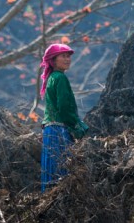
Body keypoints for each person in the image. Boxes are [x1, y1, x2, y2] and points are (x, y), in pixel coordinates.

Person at [39, 43, 88, 191]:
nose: (68, 59)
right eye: (63, 56)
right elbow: (65, 108)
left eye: (68, 56)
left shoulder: (52, 77)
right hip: (59, 131)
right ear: (53, 60)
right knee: (63, 173)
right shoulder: (60, 78)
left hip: (49, 130)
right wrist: (78, 126)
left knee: (50, 173)